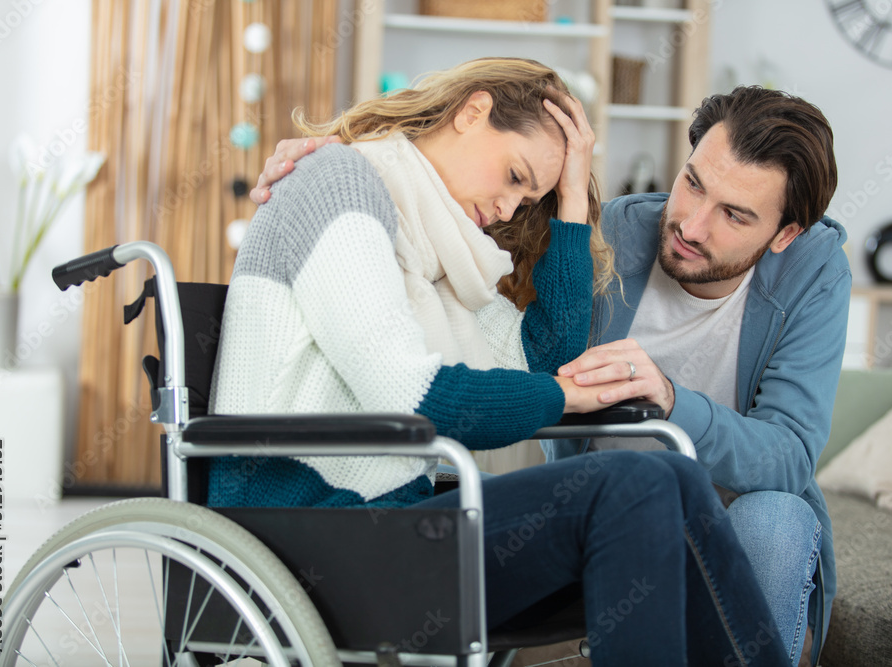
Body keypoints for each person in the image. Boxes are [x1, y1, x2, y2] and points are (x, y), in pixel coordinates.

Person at [212, 57, 789, 665]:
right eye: (515, 175)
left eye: (529, 195)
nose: (511, 209)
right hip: (305, 533)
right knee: (639, 483)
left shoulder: (437, 244)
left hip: (387, 521)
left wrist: (570, 198)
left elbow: (546, 360)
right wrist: (568, 398)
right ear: (472, 111)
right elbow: (416, 396)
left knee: (676, 476)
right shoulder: (339, 184)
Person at [546, 86, 848, 666]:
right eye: (693, 183)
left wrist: (670, 401)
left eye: (734, 214)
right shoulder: (611, 234)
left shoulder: (815, 271)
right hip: (616, 516)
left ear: (785, 236)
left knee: (779, 517)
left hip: (741, 527)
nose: (691, 224)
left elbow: (788, 457)